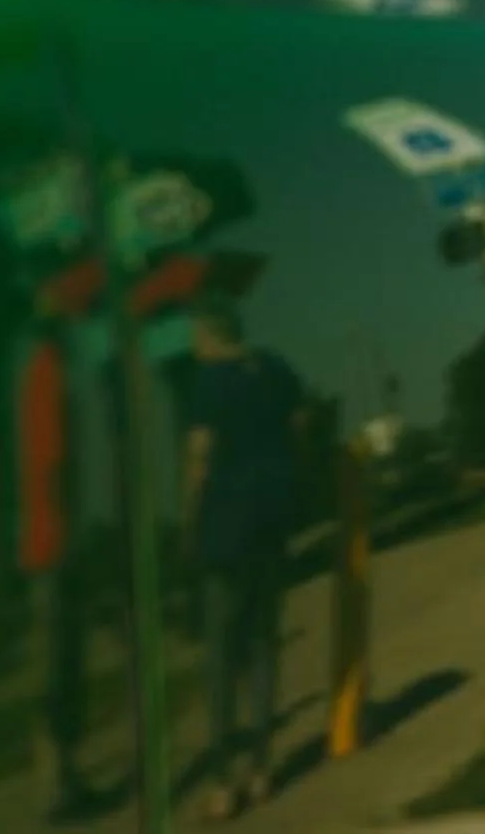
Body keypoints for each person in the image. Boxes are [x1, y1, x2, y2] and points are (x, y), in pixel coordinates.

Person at [183, 303, 308, 820]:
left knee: (221, 658)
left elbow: (200, 455)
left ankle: (221, 782)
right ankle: (261, 772)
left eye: (195, 334)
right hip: (271, 522)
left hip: (226, 528)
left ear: (210, 335)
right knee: (262, 647)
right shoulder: (275, 368)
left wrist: (189, 522)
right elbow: (302, 420)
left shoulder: (208, 381)